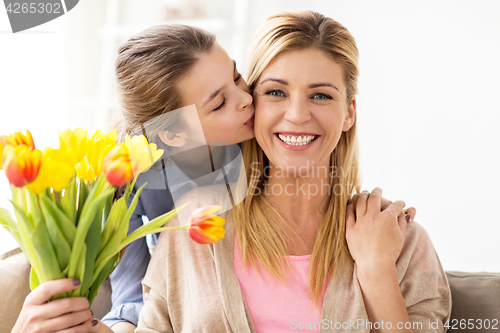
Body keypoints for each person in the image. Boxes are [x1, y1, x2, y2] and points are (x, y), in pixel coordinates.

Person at [10, 22, 416, 333]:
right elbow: (134, 303)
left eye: (239, 78)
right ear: (174, 133)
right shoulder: (141, 193)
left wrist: (374, 251)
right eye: (220, 102)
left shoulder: (267, 148)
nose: (247, 100)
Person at [135, 10, 451, 333]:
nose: (298, 115)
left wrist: (377, 272)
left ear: (348, 114)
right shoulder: (194, 228)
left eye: (321, 95)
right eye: (276, 92)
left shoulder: (402, 241)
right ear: (251, 104)